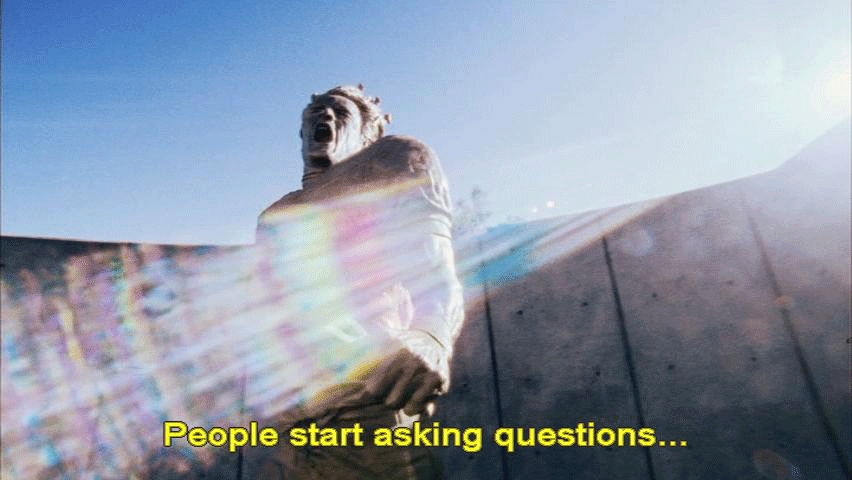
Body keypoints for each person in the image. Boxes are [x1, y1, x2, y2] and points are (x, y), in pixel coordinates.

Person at [253, 85, 465, 479]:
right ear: (301, 133)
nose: (324, 116)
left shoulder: (395, 158)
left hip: (369, 399)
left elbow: (435, 267)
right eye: (315, 112)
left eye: (340, 112)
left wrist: (432, 336)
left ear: (368, 134)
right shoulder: (275, 215)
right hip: (289, 418)